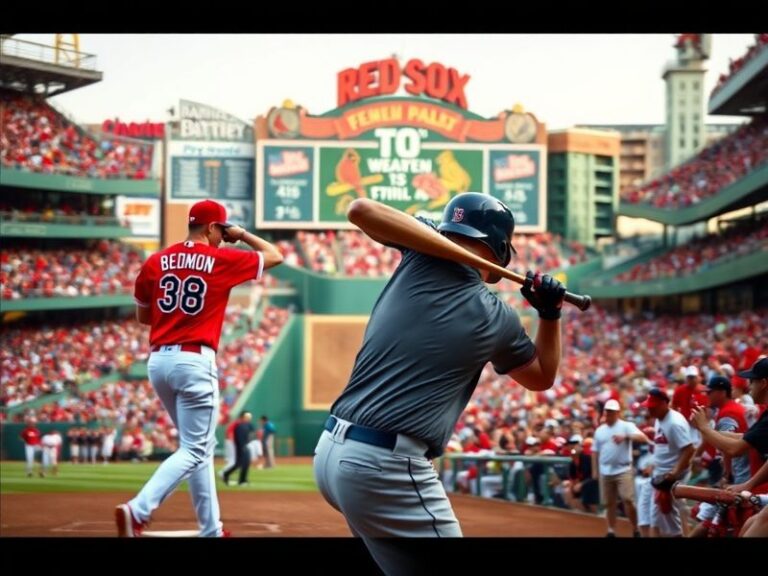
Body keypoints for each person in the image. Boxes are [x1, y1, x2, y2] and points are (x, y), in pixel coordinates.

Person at [313, 193, 566, 575]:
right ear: (501, 248)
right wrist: (550, 315)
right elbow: (542, 376)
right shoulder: (496, 314)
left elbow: (359, 208)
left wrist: (547, 313)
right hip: (384, 466)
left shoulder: (417, 258)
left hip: (333, 454)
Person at [115, 198, 283, 537]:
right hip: (194, 359)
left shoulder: (156, 260)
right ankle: (139, 509)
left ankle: (211, 529)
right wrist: (243, 234)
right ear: (211, 227)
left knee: (198, 448)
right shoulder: (220, 258)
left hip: (159, 361)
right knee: (195, 448)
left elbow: (144, 316)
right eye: (222, 229)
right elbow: (276, 255)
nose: (224, 235)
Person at [689, 375, 750, 537]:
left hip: (741, 477)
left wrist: (727, 475)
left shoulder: (728, 413)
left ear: (722, 392)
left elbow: (728, 448)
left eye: (710, 392)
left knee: (709, 522)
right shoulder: (732, 408)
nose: (707, 395)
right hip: (745, 474)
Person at [592, 399, 650, 537]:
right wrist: (595, 470)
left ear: (618, 413)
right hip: (606, 470)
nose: (609, 414)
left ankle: (635, 528)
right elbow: (595, 452)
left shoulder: (626, 426)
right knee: (609, 503)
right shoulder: (600, 430)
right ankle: (611, 530)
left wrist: (626, 436)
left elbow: (643, 437)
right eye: (607, 411)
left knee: (628, 500)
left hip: (623, 469)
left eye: (612, 412)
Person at [643, 387, 694, 537]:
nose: (650, 411)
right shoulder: (660, 419)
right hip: (661, 475)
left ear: (665, 404)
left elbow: (689, 449)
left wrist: (675, 473)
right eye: (649, 407)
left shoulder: (674, 423)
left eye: (653, 407)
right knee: (657, 520)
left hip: (669, 479)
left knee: (671, 522)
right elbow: (664, 447)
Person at [222, 412, 255, 486]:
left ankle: (241, 480)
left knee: (243, 463)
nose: (249, 418)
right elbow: (239, 438)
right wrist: (242, 446)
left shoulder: (247, 425)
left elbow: (252, 430)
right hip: (241, 447)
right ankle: (239, 479)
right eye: (247, 417)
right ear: (242, 417)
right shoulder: (239, 425)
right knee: (240, 464)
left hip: (246, 446)